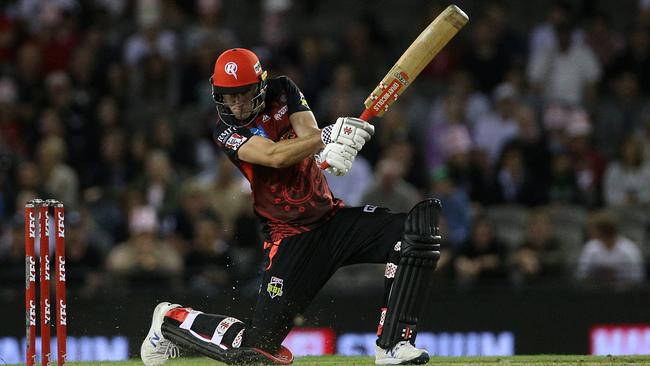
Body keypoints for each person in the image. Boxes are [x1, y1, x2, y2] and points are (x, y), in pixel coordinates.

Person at [140, 48, 442, 365]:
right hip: (289, 239)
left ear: (260, 84)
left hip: (332, 220)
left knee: (415, 231)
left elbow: (309, 136)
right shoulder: (225, 130)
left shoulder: (283, 89)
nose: (237, 105)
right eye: (228, 98)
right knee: (257, 350)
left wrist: (333, 148)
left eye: (243, 94)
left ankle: (393, 346)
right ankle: (170, 320)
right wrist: (329, 135)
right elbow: (274, 156)